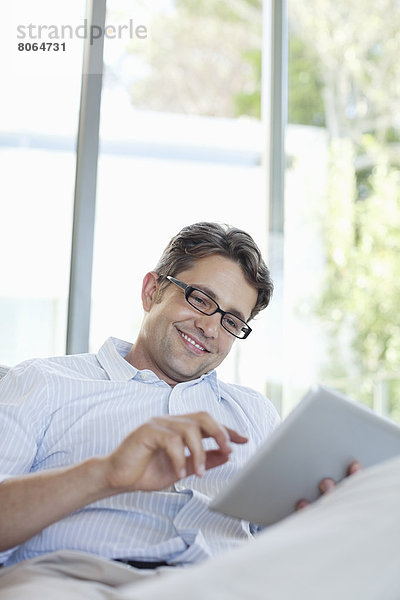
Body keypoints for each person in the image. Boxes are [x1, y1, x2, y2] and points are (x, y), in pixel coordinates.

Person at [1, 222, 399, 600]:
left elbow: (282, 545)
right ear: (151, 291)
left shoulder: (253, 413)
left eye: (231, 321)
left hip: (224, 586)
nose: (211, 328)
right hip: (78, 581)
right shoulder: (43, 382)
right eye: (201, 299)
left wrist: (325, 515)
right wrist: (105, 474)